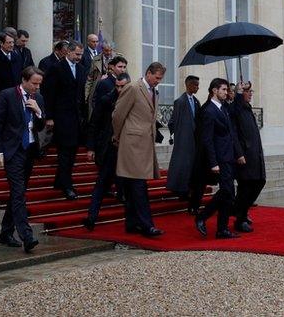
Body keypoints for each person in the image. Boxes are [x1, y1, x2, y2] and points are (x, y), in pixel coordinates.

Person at [0, 66, 46, 253]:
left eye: (39, 84)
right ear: (24, 80)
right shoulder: (7, 95)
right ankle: (26, 235)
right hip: (12, 150)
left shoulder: (38, 98)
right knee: (19, 191)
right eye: (34, 83)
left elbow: (40, 126)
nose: (37, 87)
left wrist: (39, 112)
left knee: (17, 193)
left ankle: (5, 233)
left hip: (29, 149)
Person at [112, 62, 166, 237]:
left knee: (133, 185)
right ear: (148, 73)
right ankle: (146, 225)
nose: (159, 81)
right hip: (132, 144)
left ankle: (132, 223)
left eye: (161, 78)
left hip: (144, 144)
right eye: (157, 77)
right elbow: (118, 114)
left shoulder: (153, 92)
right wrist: (118, 137)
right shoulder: (133, 88)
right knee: (138, 186)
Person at [194, 78, 243, 239]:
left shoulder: (224, 108)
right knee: (227, 191)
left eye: (226, 90)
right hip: (219, 158)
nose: (226, 92)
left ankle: (222, 229)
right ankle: (202, 216)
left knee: (228, 193)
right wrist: (213, 163)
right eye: (223, 89)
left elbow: (232, 130)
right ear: (214, 90)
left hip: (229, 156)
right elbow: (206, 140)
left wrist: (238, 154)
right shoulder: (208, 110)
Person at [82, 71, 132, 231]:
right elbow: (94, 124)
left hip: (127, 150)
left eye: (122, 86)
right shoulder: (106, 100)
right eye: (117, 86)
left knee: (128, 187)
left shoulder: (134, 101)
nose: (119, 89)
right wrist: (90, 148)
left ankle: (132, 222)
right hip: (109, 149)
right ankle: (91, 217)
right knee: (102, 183)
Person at [42, 41, 86, 200]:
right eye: (77, 54)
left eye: (81, 55)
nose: (79, 58)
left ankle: (59, 181)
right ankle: (67, 185)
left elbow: (81, 95)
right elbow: (49, 93)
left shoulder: (81, 69)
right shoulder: (56, 68)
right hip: (60, 117)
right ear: (68, 52)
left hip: (75, 118)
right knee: (65, 152)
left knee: (72, 152)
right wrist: (50, 117)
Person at [231, 81, 266, 233]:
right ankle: (240, 219)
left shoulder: (247, 108)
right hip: (244, 155)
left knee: (259, 182)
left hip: (254, 154)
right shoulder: (236, 108)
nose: (251, 93)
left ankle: (240, 210)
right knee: (246, 187)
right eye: (248, 91)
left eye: (251, 91)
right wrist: (239, 153)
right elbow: (234, 134)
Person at [166, 75, 200, 201]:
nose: (197, 87)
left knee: (191, 166)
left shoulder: (196, 101)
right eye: (195, 85)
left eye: (197, 85)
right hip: (183, 140)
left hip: (194, 140)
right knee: (182, 165)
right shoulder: (180, 102)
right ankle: (180, 189)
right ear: (188, 85)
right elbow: (173, 120)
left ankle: (189, 189)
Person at [85, 47, 125, 113]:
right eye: (106, 50)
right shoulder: (96, 59)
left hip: (113, 86)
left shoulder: (119, 58)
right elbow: (90, 79)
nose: (109, 52)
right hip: (98, 88)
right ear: (102, 50)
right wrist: (86, 96)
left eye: (110, 50)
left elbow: (125, 75)